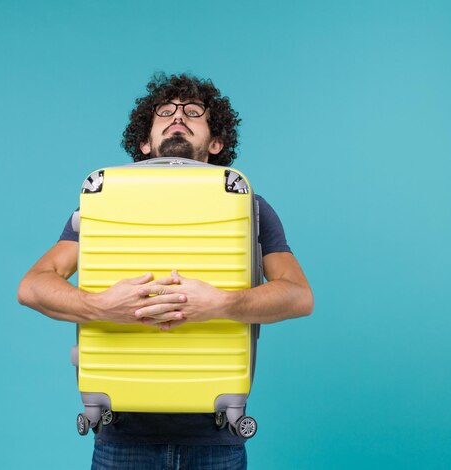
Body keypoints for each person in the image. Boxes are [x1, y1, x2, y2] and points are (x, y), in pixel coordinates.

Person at [17, 73, 313, 470]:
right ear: (144, 142)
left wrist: (222, 303)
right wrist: (100, 306)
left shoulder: (249, 206)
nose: (179, 116)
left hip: (215, 439)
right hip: (122, 437)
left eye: (194, 112)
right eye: (165, 112)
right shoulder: (105, 205)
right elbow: (33, 286)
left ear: (216, 142)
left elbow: (298, 295)